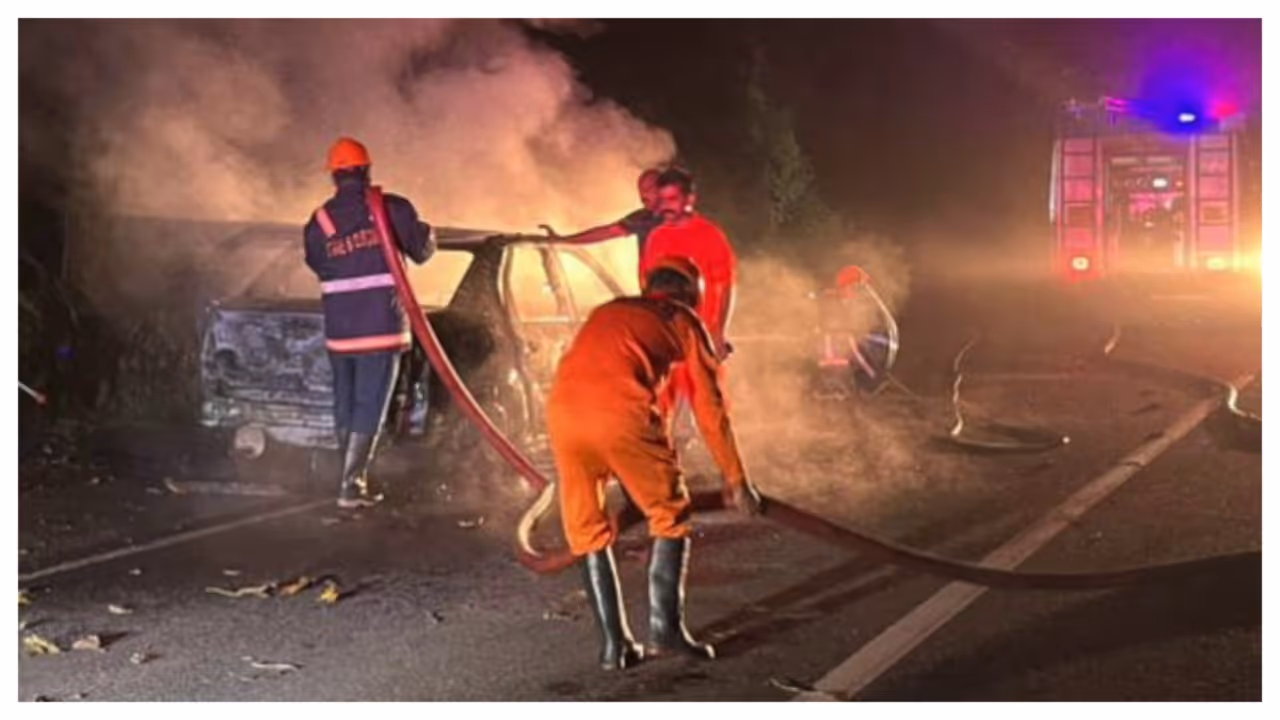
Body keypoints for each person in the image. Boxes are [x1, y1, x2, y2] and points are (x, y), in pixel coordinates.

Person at [546, 256, 763, 671]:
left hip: (563, 416)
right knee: (669, 514)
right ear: (690, 296)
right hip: (620, 416)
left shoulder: (608, 311)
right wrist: (737, 480)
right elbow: (710, 409)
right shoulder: (682, 319)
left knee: (588, 531)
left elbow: (610, 372)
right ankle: (665, 632)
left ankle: (615, 648)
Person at [304, 137, 435, 509]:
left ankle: (344, 479)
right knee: (369, 405)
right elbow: (422, 251)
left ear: (334, 176)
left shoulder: (319, 221)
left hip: (340, 332)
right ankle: (351, 486)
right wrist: (428, 234)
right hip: (379, 328)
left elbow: (318, 264)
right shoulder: (391, 209)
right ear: (366, 170)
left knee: (345, 403)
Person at [637, 167, 739, 432]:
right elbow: (647, 285)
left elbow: (726, 286)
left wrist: (718, 332)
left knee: (709, 411)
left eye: (672, 199)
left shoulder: (710, 236)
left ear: (689, 199)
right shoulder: (656, 238)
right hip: (667, 337)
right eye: (662, 199)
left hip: (701, 337)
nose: (665, 206)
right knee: (660, 411)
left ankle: (712, 452)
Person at [540, 168, 663, 258]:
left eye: (648, 189)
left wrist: (562, 240)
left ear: (661, 189)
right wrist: (563, 240)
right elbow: (606, 232)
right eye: (641, 190)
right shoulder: (642, 218)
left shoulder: (667, 218)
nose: (642, 196)